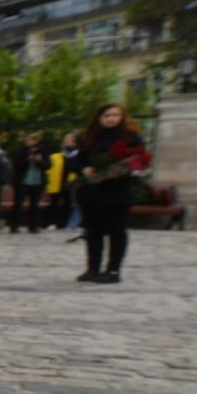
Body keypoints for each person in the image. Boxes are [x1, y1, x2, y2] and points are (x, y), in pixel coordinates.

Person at [77, 102, 147, 283]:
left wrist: (123, 169)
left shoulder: (131, 137)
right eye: (107, 115)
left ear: (122, 117)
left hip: (119, 190)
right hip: (94, 191)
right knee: (94, 232)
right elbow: (79, 160)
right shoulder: (89, 137)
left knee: (117, 231)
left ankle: (113, 270)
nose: (111, 119)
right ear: (99, 118)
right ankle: (92, 269)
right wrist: (85, 169)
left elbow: (140, 160)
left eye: (115, 115)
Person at [8, 132, 47, 233]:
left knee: (35, 204)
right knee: (18, 203)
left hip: (37, 181)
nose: (30, 141)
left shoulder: (41, 151)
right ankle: (14, 225)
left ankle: (33, 226)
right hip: (23, 181)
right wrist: (27, 159)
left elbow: (47, 165)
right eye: (28, 139)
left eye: (33, 139)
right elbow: (16, 164)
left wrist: (38, 161)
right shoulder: (20, 151)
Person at [45, 132, 75, 229]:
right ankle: (53, 222)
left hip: (69, 182)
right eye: (67, 139)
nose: (68, 142)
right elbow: (48, 169)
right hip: (56, 182)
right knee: (54, 203)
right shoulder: (55, 156)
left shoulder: (76, 154)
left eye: (71, 139)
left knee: (68, 203)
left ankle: (65, 223)